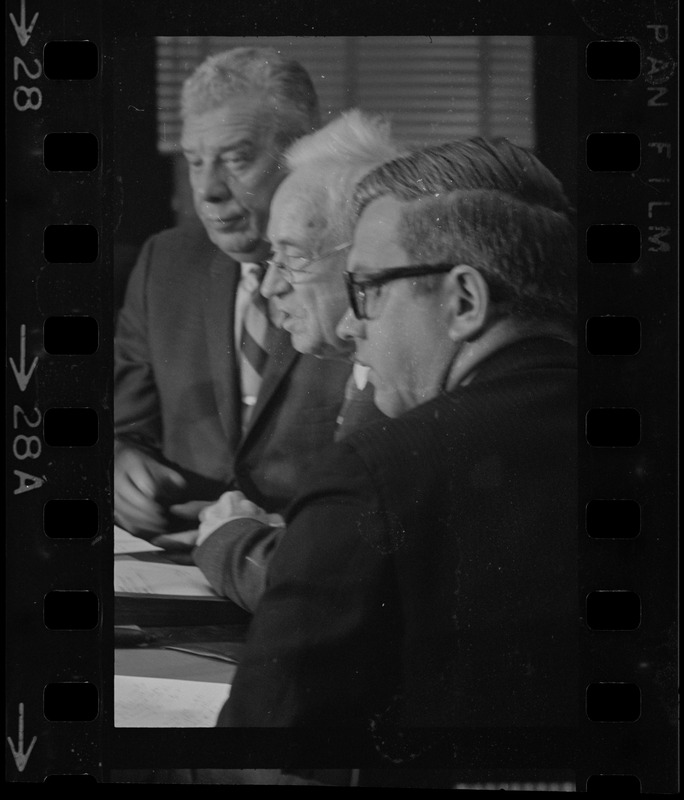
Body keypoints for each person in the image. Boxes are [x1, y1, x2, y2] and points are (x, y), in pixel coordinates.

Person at [212, 138, 578, 781]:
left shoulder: (375, 474)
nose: (354, 327)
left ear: (464, 302)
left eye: (369, 290)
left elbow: (256, 764)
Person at [114, 48, 353, 538]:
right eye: (195, 161)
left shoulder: (353, 269)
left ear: (301, 153)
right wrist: (120, 463)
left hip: (309, 565)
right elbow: (125, 424)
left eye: (236, 160)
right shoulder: (166, 261)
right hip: (174, 561)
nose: (207, 190)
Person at [187, 110, 402, 610]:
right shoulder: (367, 370)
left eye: (294, 257)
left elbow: (331, 591)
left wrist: (231, 539)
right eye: (271, 259)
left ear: (364, 256)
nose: (269, 285)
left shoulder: (404, 387)